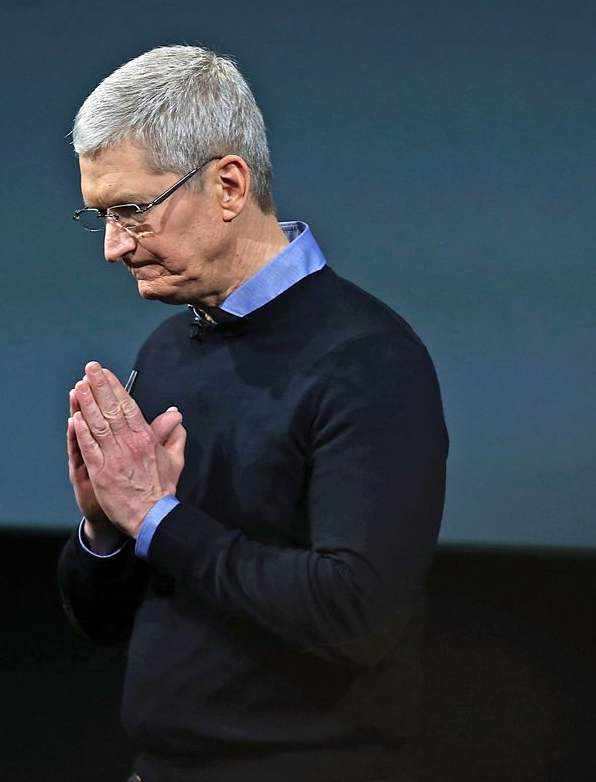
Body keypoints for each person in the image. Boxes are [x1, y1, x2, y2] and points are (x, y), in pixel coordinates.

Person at [57, 46, 448, 782]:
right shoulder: (169, 350)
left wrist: (158, 522)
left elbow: (356, 613)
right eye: (100, 217)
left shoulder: (368, 360)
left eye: (132, 211)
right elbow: (105, 621)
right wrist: (106, 530)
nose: (113, 248)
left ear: (229, 185)